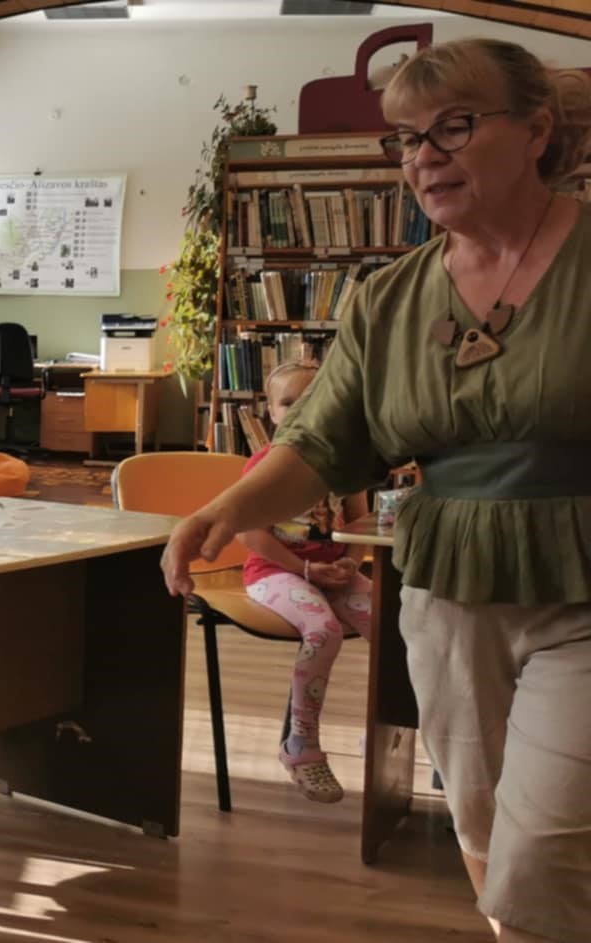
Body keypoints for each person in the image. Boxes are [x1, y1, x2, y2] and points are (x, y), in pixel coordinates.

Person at [160, 39, 591, 943]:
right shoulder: (388, 297)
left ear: (537, 131)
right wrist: (224, 509)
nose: (424, 156)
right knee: (481, 820)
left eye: (454, 127)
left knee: (549, 840)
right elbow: (323, 439)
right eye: (406, 138)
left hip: (582, 581)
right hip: (445, 583)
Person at [238, 361, 372, 803]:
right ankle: (301, 744)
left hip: (333, 573)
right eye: (288, 403)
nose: (300, 411)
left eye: (311, 400)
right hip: (274, 572)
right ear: (272, 412)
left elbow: (360, 522)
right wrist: (306, 571)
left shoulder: (346, 465)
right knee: (323, 630)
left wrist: (351, 562)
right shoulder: (266, 465)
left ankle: (387, 728)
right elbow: (250, 534)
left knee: (397, 627)